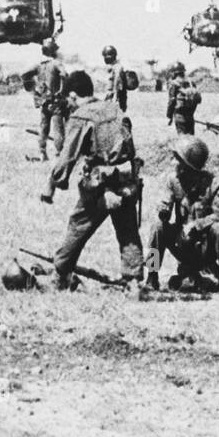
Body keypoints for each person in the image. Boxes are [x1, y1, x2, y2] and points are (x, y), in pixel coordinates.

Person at [42, 71, 142, 289]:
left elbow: (67, 156)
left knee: (78, 226)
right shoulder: (114, 109)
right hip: (125, 180)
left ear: (74, 95)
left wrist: (54, 183)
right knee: (128, 232)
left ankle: (60, 275)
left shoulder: (81, 116)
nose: (69, 104)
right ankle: (134, 282)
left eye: (69, 99)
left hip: (99, 185)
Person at [144, 136, 219, 291]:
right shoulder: (173, 181)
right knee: (157, 227)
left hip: (206, 246)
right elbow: (165, 202)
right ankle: (151, 276)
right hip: (182, 243)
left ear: (189, 166)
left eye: (179, 160)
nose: (175, 164)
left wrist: (197, 225)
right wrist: (163, 210)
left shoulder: (214, 184)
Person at [25, 41, 68, 161]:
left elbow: (25, 75)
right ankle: (60, 154)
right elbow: (64, 75)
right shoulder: (56, 63)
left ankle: (42, 153)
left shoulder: (38, 65)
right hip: (55, 101)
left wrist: (34, 92)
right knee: (58, 129)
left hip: (43, 101)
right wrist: (62, 90)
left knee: (43, 128)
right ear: (52, 51)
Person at [102, 45, 129, 113]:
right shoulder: (112, 67)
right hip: (110, 101)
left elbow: (117, 87)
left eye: (106, 55)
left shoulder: (118, 68)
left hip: (115, 102)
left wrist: (115, 102)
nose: (105, 58)